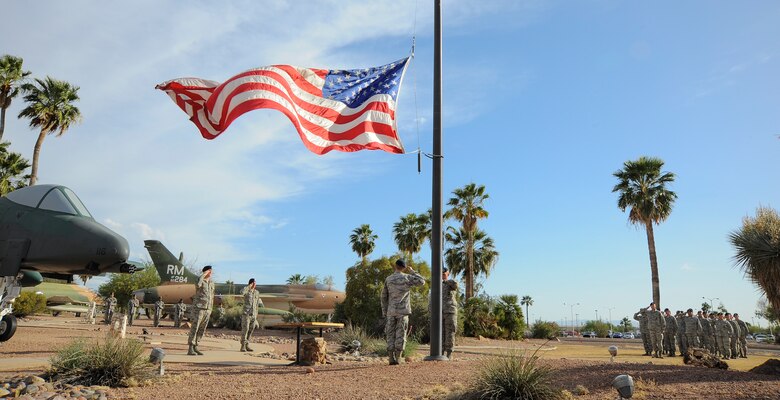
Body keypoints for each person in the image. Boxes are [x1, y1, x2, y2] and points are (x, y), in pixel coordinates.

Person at [381, 259, 425, 365]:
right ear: (404, 267)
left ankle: (391, 358)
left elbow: (383, 296)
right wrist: (412, 271)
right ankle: (398, 357)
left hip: (391, 311)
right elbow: (422, 282)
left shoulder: (388, 279)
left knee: (390, 334)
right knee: (401, 334)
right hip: (403, 311)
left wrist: (384, 311)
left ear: (395, 266)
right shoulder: (407, 278)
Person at [188, 265, 215, 356]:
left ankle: (196, 346)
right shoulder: (199, 280)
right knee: (195, 328)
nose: (211, 273)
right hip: (199, 309)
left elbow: (212, 296)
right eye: (209, 271)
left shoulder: (211, 283)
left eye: (211, 271)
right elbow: (198, 285)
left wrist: (211, 309)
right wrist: (203, 275)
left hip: (207, 309)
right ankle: (190, 348)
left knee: (202, 329)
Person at [240, 278, 264, 352]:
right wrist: (249, 286)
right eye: (253, 283)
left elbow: (257, 304)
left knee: (251, 330)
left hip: (253, 315)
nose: (254, 284)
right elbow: (241, 292)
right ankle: (243, 346)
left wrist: (256, 315)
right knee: (245, 329)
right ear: (250, 283)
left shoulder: (257, 292)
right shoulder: (246, 291)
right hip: (246, 314)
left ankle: (247, 345)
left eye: (255, 283)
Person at [441, 267, 458, 359]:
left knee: (450, 332)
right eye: (441, 273)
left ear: (448, 273)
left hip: (450, 311)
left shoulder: (450, 283)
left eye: (444, 273)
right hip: (439, 312)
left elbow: (455, 284)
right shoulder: (437, 285)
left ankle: (449, 354)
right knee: (440, 333)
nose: (442, 275)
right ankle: (441, 353)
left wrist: (445, 280)